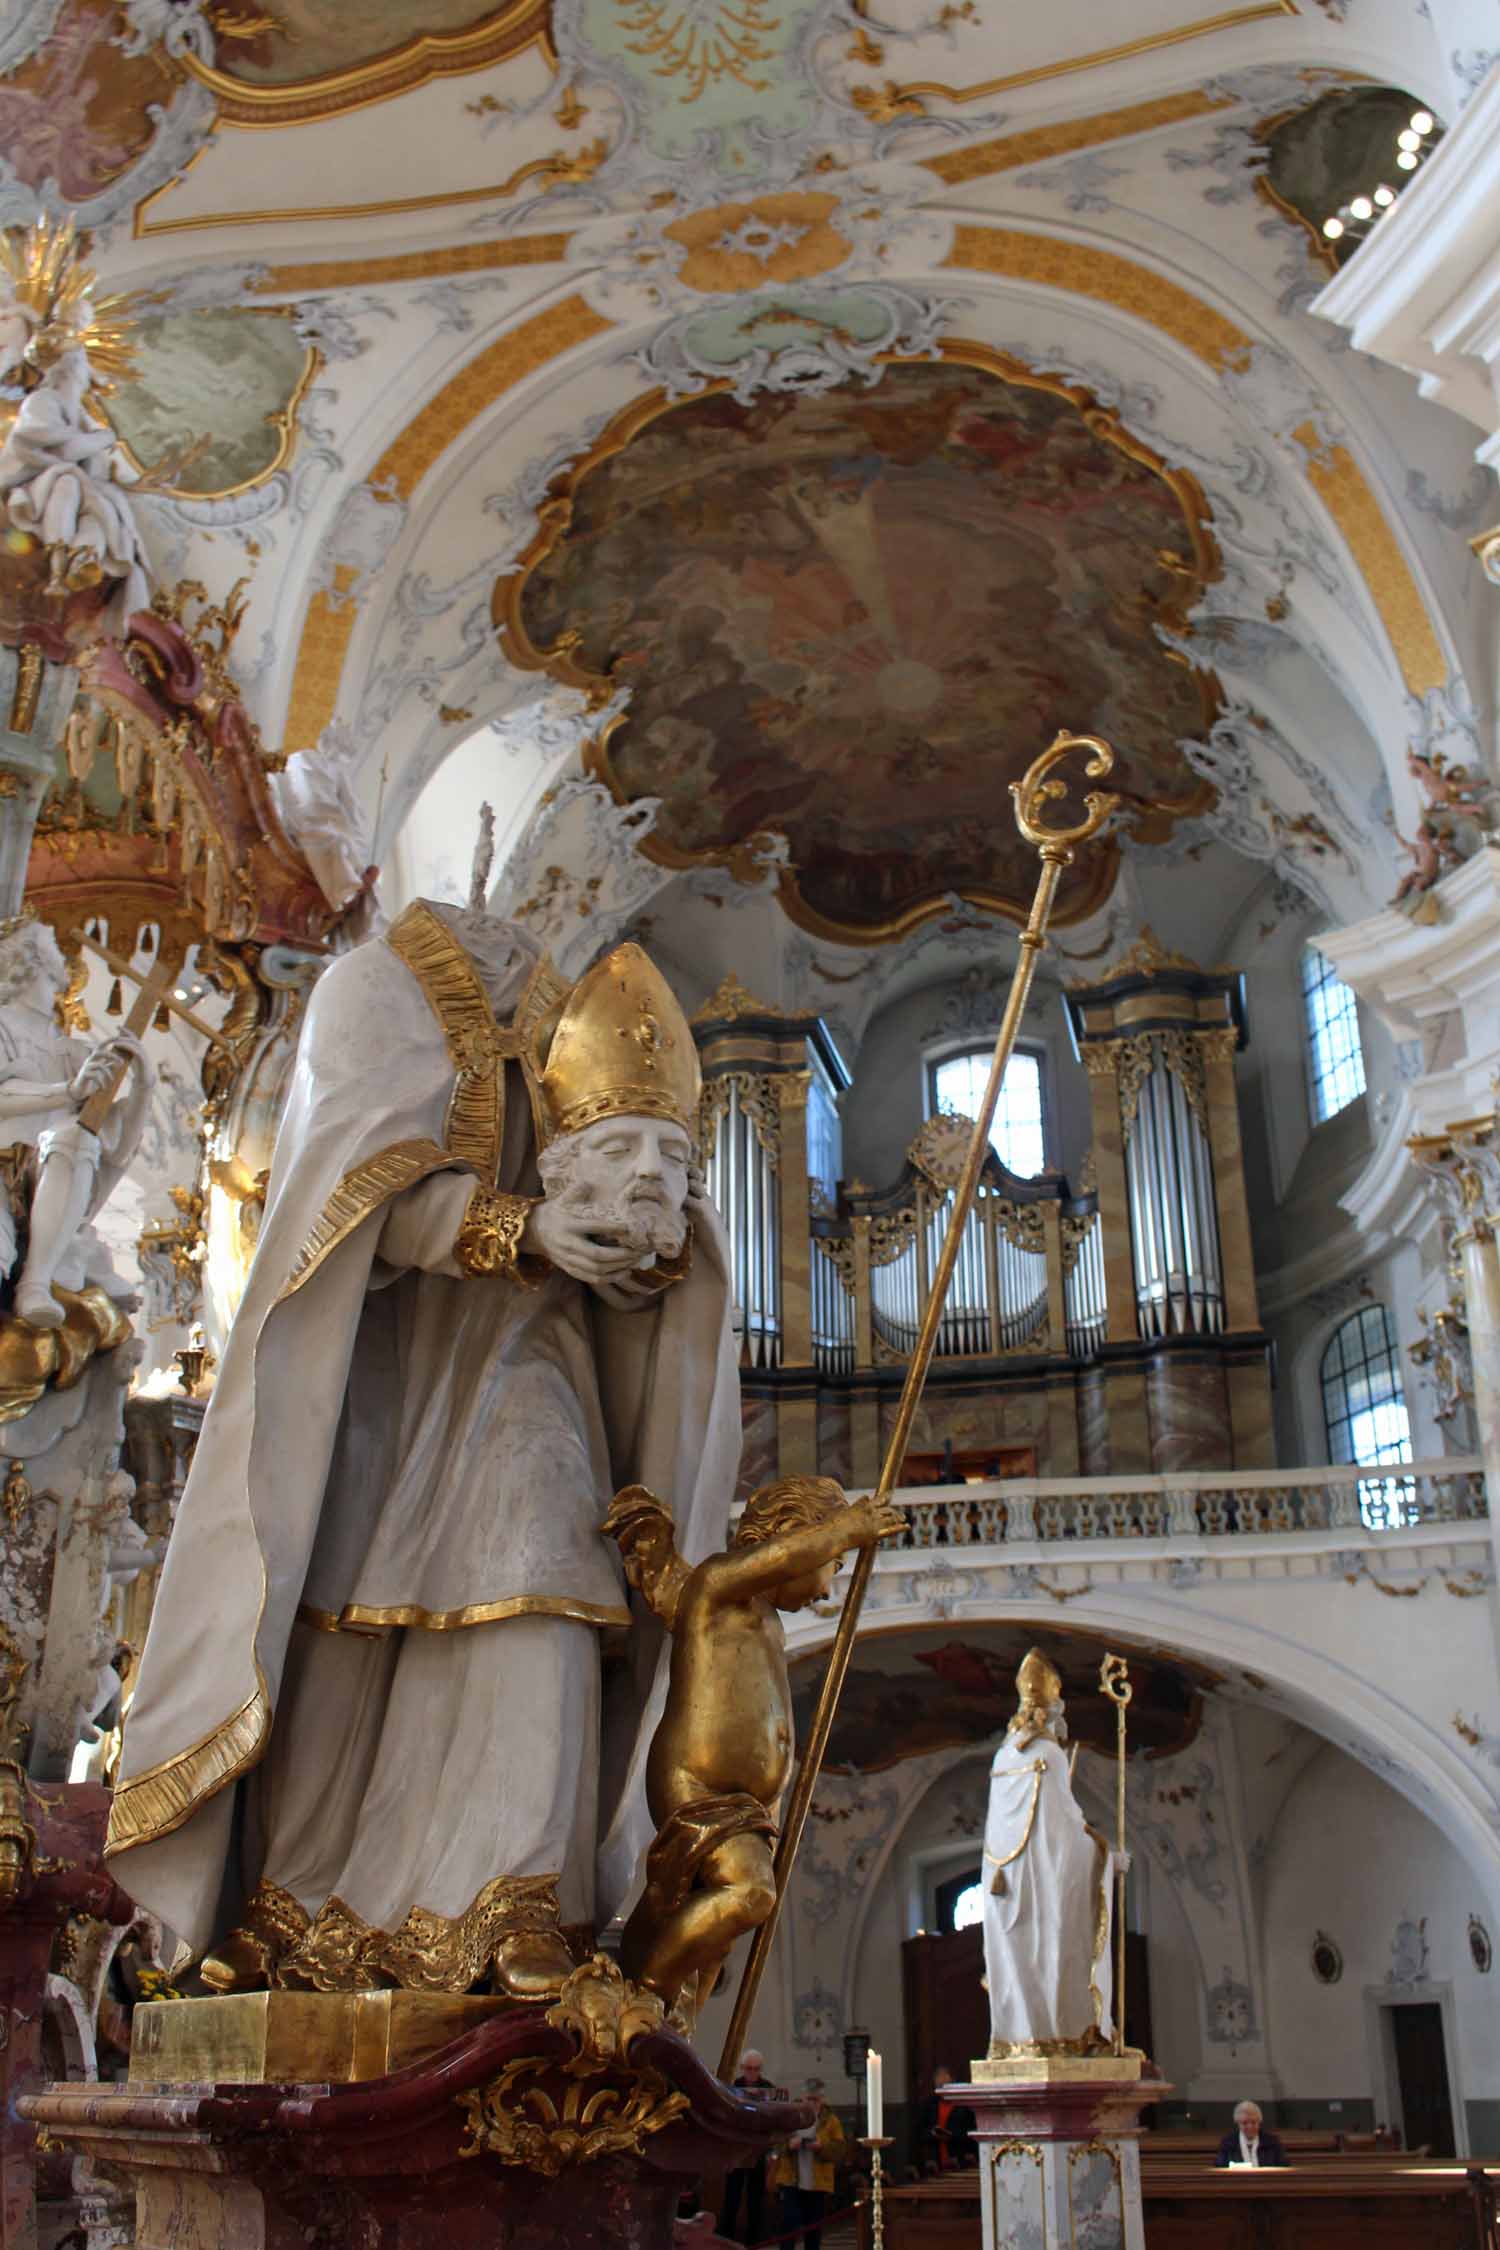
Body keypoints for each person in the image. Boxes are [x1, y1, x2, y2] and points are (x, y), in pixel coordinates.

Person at [104, 906, 741, 1993]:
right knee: (337, 1640)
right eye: (493, 945)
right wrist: (512, 1229)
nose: (514, 961)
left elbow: (625, 1183)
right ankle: (293, 1910)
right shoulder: (371, 993)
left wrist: (643, 1256)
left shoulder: (564, 1016)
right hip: (377, 1389)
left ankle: (522, 1901)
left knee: (546, 1583)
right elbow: (333, 1206)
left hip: (536, 1367)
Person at [604, 1475, 904, 2013]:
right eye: (830, 1570)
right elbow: (782, 1557)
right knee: (750, 1894)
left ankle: (677, 2023)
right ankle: (644, 1996)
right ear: (796, 1533)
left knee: (713, 1936)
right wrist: (850, 1529)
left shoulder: (769, 1624)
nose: (825, 1590)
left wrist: (775, 1809)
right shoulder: (718, 1586)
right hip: (698, 1786)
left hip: (748, 1806)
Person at [982, 1648, 1124, 2056]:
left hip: (1004, 1890)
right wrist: (1107, 1856)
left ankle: (1019, 2040)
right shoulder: (1050, 1757)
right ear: (1053, 1709)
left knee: (1019, 1964)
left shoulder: (1003, 1757)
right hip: (1045, 1887)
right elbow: (1064, 1836)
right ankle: (1064, 2037)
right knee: (1056, 1956)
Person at [772, 2079, 846, 2250]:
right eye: (809, 2099)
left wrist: (822, 2147)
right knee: (789, 2225)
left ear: (823, 2100)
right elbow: (775, 2143)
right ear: (802, 2098)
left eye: (816, 2100)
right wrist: (789, 2145)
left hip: (818, 2183)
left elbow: (840, 2150)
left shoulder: (831, 2120)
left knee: (813, 2229)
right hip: (791, 2180)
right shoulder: (790, 2115)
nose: (812, 2103)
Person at [720, 2049, 777, 2242]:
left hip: (758, 2151)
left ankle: (755, 2241)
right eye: (749, 2069)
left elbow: (774, 2118)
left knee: (756, 2200)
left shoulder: (768, 2088)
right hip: (737, 2150)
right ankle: (726, 2239)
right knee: (731, 2198)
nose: (752, 2073)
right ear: (742, 2068)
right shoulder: (732, 2086)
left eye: (756, 2069)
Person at [1216, 2100, 1288, 2168]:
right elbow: (1219, 2167)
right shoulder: (1228, 2143)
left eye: (1253, 2122)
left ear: (1259, 2122)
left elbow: (1284, 2167)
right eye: (1245, 2123)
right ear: (1238, 2123)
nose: (1250, 2127)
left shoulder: (1272, 2142)